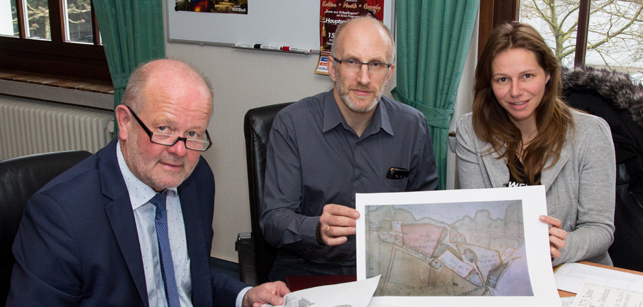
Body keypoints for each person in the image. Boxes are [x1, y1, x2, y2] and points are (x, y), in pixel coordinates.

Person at [0, 59, 290, 307]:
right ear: (124, 122)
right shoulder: (61, 215)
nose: (179, 151)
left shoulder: (196, 181)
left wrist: (244, 297)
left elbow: (187, 276)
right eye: (164, 129)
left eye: (194, 134)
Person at [261, 16, 439, 282]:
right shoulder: (292, 124)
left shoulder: (413, 127)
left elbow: (428, 210)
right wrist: (316, 229)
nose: (364, 78)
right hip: (309, 263)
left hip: (388, 267)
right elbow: (273, 220)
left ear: (389, 73)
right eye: (352, 62)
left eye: (376, 64)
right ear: (332, 68)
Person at [456, 22, 616, 266]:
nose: (516, 91)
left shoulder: (590, 133)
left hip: (570, 271)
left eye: (527, 76)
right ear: (490, 83)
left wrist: (558, 245)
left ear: (548, 75)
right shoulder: (471, 131)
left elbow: (600, 230)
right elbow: (477, 221)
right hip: (501, 267)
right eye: (502, 79)